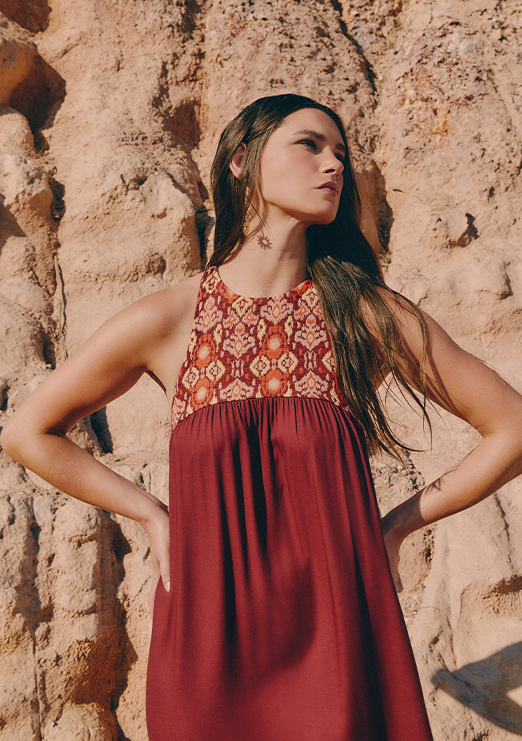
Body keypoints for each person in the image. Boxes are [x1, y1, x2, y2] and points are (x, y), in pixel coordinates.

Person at [2, 93, 522, 741]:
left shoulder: (367, 315)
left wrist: (393, 530)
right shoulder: (169, 319)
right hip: (207, 632)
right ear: (243, 161)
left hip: (338, 626)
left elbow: (512, 427)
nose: (333, 164)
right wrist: (150, 513)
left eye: (341, 152)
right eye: (309, 144)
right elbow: (28, 432)